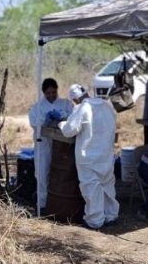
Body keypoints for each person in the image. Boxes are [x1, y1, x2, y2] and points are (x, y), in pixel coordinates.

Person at [59, 84, 120, 229]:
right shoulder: (107, 105)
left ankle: (95, 221)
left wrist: (61, 123)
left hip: (89, 157)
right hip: (106, 155)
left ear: (75, 99)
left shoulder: (82, 108)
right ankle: (111, 216)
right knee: (107, 186)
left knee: (91, 189)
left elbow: (70, 130)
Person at [28, 78, 74, 210]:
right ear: (44, 93)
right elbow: (34, 123)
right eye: (48, 93)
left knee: (60, 174)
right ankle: (42, 205)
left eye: (54, 92)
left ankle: (58, 204)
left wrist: (62, 116)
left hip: (62, 146)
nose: (52, 95)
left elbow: (73, 118)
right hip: (43, 145)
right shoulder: (37, 107)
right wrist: (45, 120)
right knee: (42, 175)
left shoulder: (65, 103)